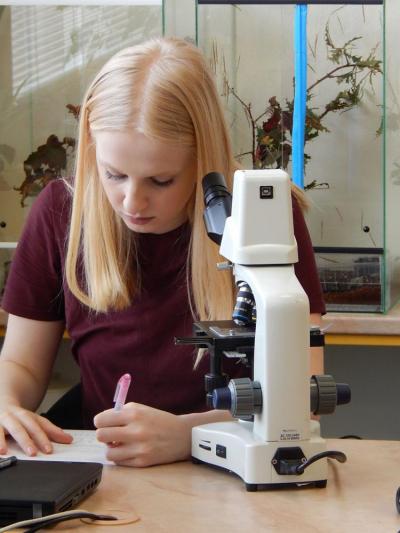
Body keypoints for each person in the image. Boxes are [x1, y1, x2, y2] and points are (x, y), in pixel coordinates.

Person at [0, 37, 325, 467]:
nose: (132, 202)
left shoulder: (264, 212)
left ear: (202, 158)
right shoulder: (63, 212)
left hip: (236, 469)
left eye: (160, 180)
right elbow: (21, 364)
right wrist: (6, 402)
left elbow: (305, 391)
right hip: (109, 471)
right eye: (114, 175)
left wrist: (192, 435)